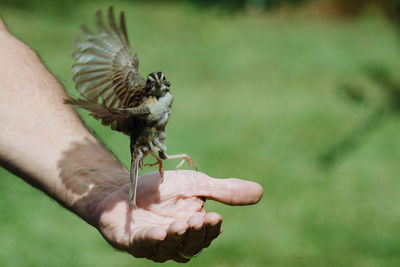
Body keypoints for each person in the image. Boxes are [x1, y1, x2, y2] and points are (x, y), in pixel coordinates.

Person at [0, 18, 263, 263]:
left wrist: (109, 186)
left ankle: (154, 170)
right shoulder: (147, 108)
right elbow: (120, 112)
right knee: (153, 148)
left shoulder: (155, 96)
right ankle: (157, 168)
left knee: (127, 68)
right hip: (143, 143)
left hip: (150, 142)